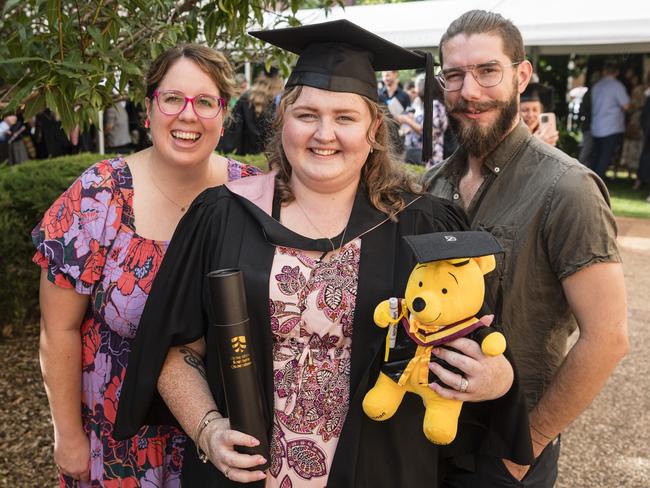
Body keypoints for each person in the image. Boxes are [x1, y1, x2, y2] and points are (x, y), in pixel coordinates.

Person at [115, 19, 533, 488]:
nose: (323, 133)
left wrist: (494, 377)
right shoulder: (223, 215)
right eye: (307, 114)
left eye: (345, 117)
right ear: (282, 120)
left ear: (374, 127)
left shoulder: (424, 226)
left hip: (383, 471)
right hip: (243, 475)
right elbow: (176, 349)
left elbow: (486, 348)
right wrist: (208, 430)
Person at [31, 44, 261, 487]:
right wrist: (68, 436)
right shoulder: (98, 196)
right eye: (172, 98)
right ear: (149, 108)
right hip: (116, 440)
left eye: (205, 101)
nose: (187, 115)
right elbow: (57, 329)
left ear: (224, 113)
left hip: (225, 436)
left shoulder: (253, 196)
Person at [423, 10, 629, 487]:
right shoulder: (431, 186)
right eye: (454, 75)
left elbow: (608, 338)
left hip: (506, 451)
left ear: (521, 75)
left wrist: (527, 447)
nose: (469, 91)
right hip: (426, 435)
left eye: (487, 71)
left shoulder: (567, 188)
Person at [218, 73, 283, 155]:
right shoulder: (273, 102)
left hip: (245, 153)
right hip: (264, 155)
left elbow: (233, 126)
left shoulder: (245, 98)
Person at [398, 73, 449, 167]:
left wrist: (407, 121)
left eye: (418, 85)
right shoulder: (424, 104)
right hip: (420, 153)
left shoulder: (435, 105)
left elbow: (431, 132)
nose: (416, 89)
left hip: (430, 155)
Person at [590, 61, 630, 178]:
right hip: (611, 127)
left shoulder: (596, 86)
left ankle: (592, 179)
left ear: (604, 71)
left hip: (596, 126)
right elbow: (626, 105)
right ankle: (598, 182)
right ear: (617, 72)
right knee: (605, 157)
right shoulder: (617, 86)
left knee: (597, 155)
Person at [519, 82, 559, 146]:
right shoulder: (509, 140)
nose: (530, 115)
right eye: (525, 110)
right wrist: (535, 144)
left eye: (535, 110)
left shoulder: (547, 138)